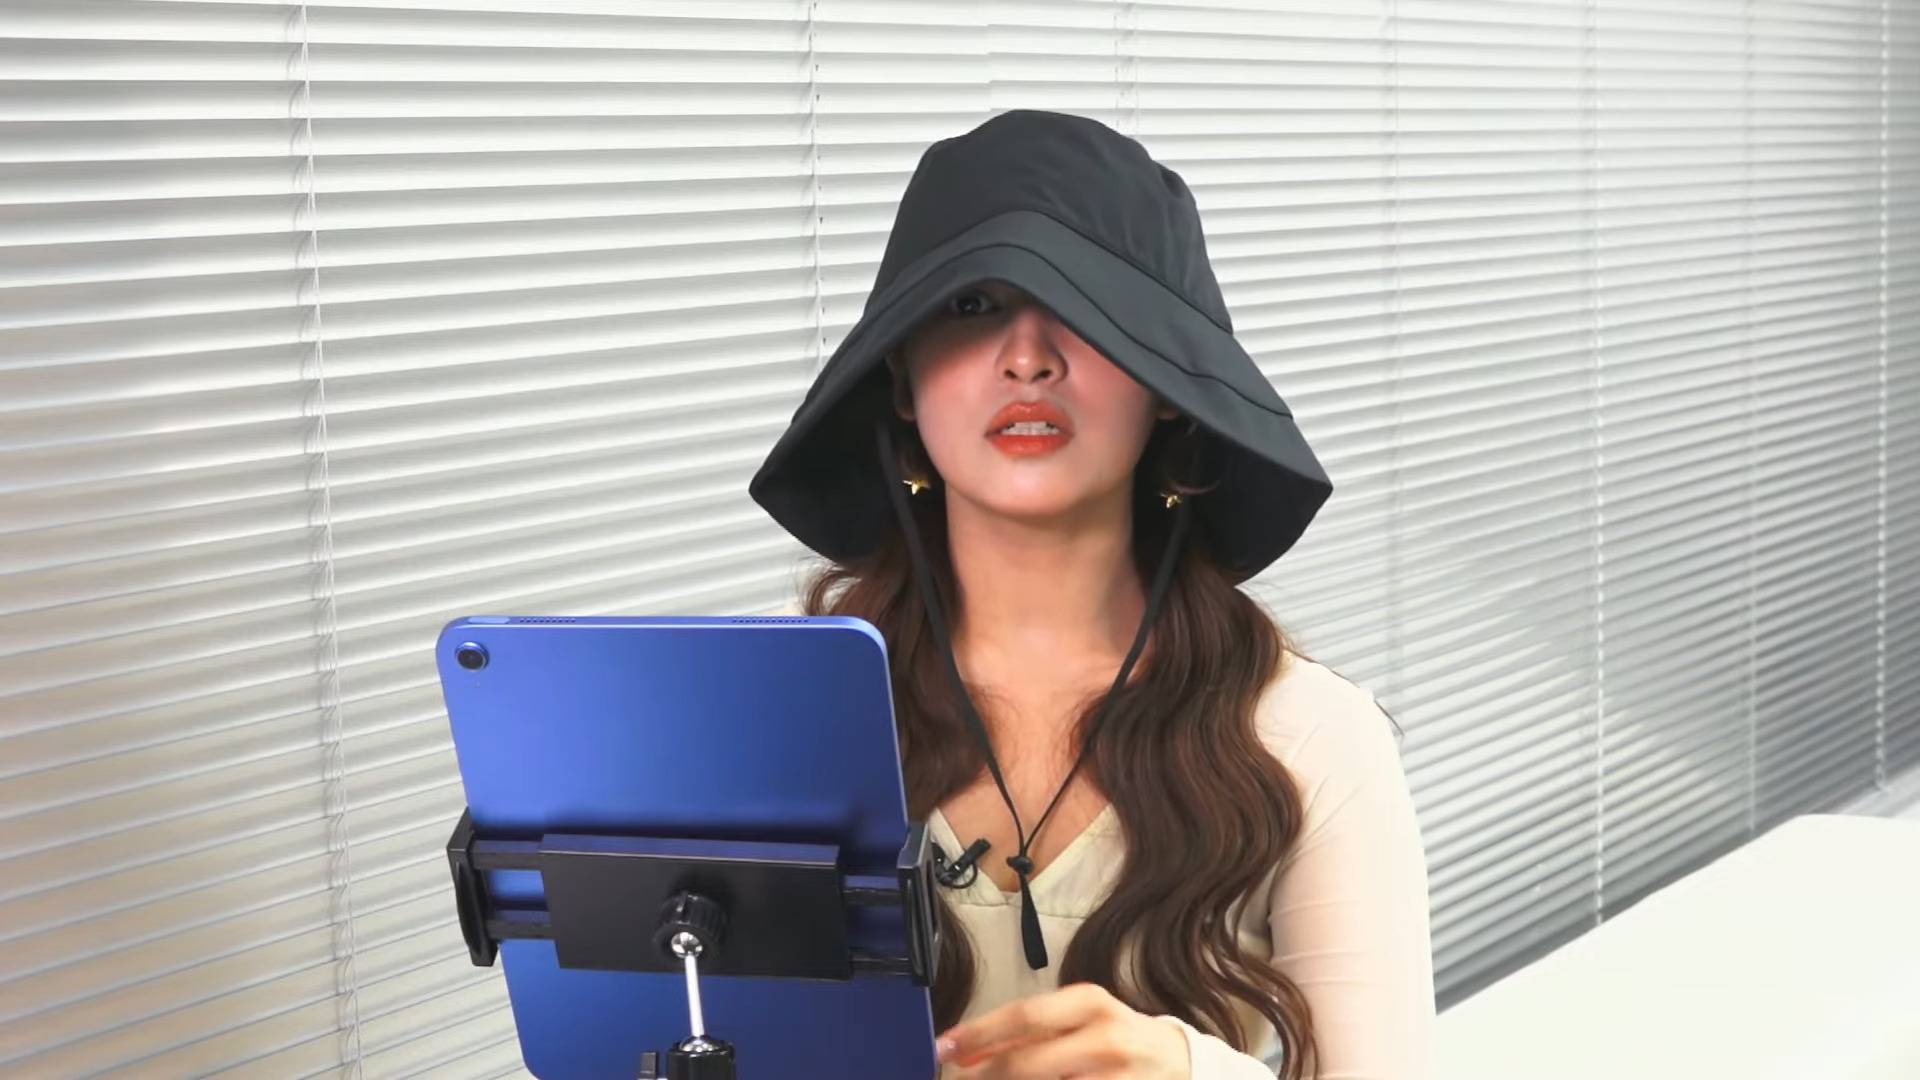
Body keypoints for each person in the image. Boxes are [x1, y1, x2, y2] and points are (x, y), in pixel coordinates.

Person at [750, 109, 1433, 1079]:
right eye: (973, 305)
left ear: (1170, 386)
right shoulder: (769, 705)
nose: (1029, 358)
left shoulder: (1311, 735)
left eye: (1087, 309)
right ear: (900, 378)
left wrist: (1188, 1070)